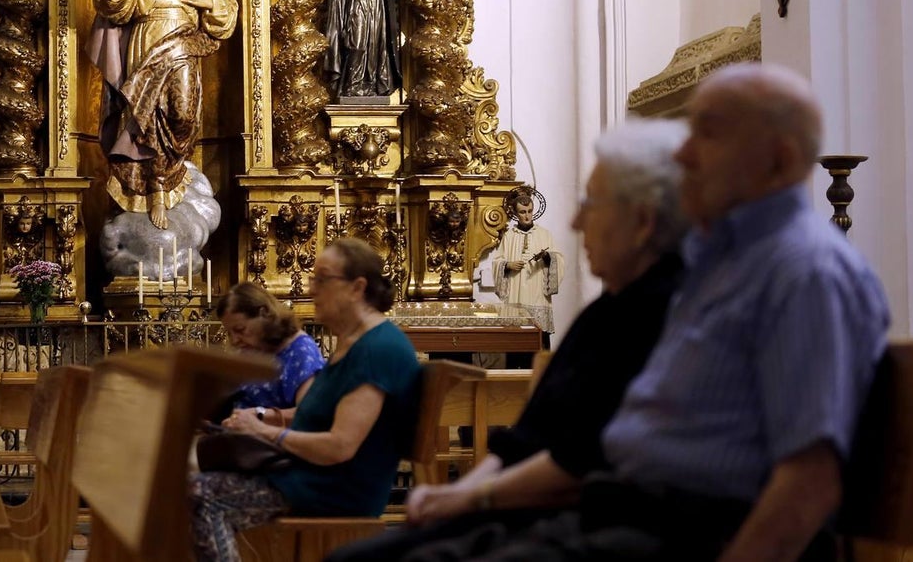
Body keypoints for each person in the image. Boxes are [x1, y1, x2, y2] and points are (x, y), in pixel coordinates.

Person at [399, 62, 890, 562]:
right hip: (613, 512)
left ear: (779, 159)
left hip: (681, 531)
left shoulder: (807, 271)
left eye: (708, 132)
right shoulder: (719, 267)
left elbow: (809, 481)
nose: (683, 153)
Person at [328, 119, 690, 562]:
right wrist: (463, 488)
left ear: (642, 222)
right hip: (520, 501)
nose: (576, 221)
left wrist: (472, 498)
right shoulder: (607, 310)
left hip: (579, 517)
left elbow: (580, 460)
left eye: (591, 205)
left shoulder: (667, 313)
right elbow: (527, 437)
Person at [188, 238, 422, 562]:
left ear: (357, 287)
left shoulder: (377, 349)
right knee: (185, 482)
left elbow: (340, 446)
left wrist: (262, 431)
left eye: (322, 280)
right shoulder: (353, 343)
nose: (312, 290)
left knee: (200, 496)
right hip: (306, 475)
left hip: (334, 488)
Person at [89, 0, 238, 230]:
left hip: (183, 47)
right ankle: (155, 188)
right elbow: (114, 4)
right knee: (146, 121)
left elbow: (227, 1)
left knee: (181, 115)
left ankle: (171, 175)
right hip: (146, 49)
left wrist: (209, 2)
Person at [210, 281, 325, 424]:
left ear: (264, 314)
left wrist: (259, 414)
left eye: (240, 330)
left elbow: (310, 414)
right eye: (229, 333)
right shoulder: (254, 348)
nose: (234, 341)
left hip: (276, 441)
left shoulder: (300, 351)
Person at [491, 190, 564, 338]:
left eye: (530, 211)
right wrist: (507, 265)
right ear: (515, 213)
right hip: (515, 296)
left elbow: (559, 259)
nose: (527, 215)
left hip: (538, 295)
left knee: (538, 344)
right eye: (522, 212)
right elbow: (497, 262)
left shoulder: (544, 234)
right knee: (516, 344)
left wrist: (547, 257)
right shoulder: (509, 236)